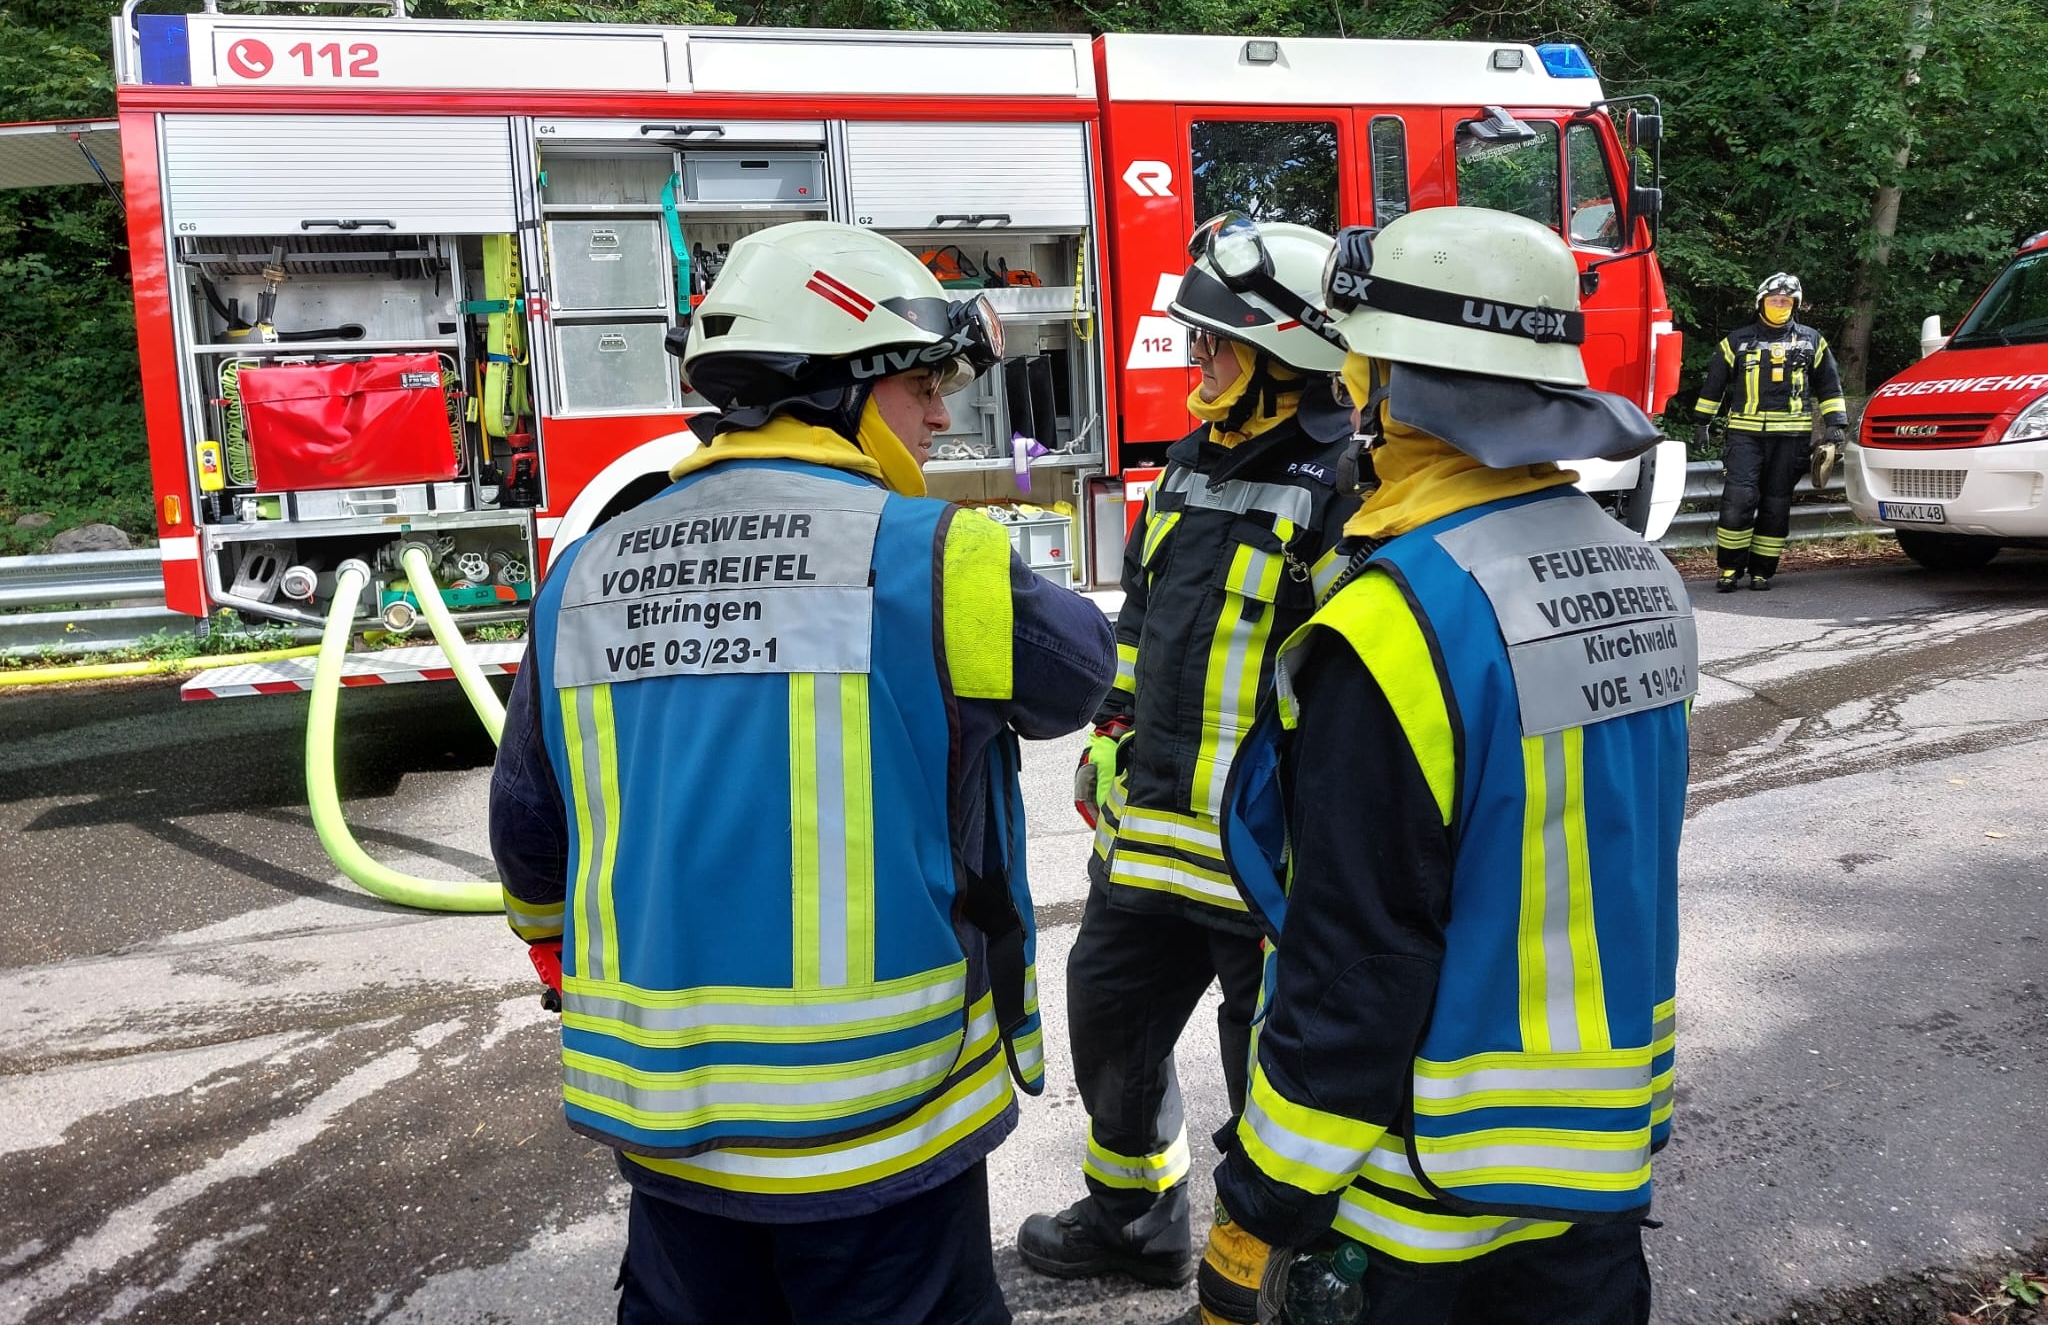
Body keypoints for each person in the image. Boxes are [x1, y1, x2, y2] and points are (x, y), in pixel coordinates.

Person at [488, 222, 1115, 1325]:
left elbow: (530, 827)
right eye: (923, 382)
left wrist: (556, 945)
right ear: (844, 386)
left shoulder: (586, 566)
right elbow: (1074, 679)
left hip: (666, 1113)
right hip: (876, 1126)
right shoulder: (934, 554)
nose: (937, 413)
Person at [1208, 206, 1694, 1324]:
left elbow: (1355, 953)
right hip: (1594, 1163)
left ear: (1382, 378)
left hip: (1421, 1197)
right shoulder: (1642, 577)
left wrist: (1263, 1196)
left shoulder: (1395, 617)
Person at [1017, 216, 1358, 1306]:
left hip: (1265, 859)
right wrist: (1106, 733)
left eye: (1213, 342)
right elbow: (1145, 620)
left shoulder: (1349, 484)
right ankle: (1135, 1216)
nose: (1193, 359)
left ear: (1283, 352)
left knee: (1270, 1072)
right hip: (1153, 834)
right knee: (1107, 1019)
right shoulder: (1186, 464)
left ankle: (1271, 1253)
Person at [1690, 272, 1848, 591]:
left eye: (1786, 301)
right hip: (1745, 436)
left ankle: (1762, 571)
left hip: (1791, 440)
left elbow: (1829, 386)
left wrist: (1836, 424)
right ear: (1761, 302)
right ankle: (1730, 569)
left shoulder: (1812, 340)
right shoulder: (1736, 341)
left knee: (1776, 505)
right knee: (1739, 499)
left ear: (1795, 305)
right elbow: (1714, 386)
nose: (1780, 305)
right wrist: (1701, 421)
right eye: (1775, 300)